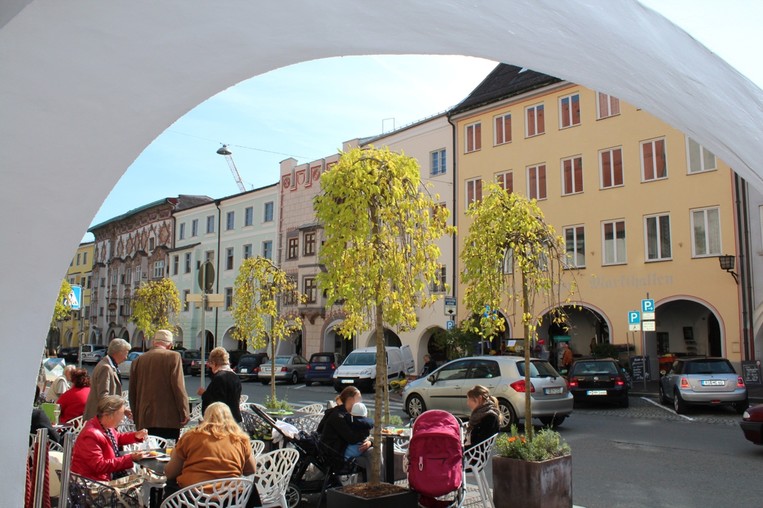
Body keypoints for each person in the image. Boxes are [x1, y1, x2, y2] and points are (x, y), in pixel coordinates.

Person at [164, 402, 259, 505]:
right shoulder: (241, 439)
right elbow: (250, 470)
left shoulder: (191, 436)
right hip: (230, 499)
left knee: (170, 486)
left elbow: (170, 473)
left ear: (206, 417)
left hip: (192, 499)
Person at [70, 395, 149, 482]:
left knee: (143, 480)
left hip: (103, 478)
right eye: (121, 414)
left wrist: (135, 436)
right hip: (92, 483)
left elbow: (116, 438)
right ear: (109, 415)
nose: (122, 419)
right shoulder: (91, 434)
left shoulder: (105, 426)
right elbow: (99, 466)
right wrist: (130, 458)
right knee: (142, 481)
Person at [129, 329, 189, 440]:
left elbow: (132, 392)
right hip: (167, 418)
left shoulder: (138, 360)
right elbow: (178, 387)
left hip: (144, 418)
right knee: (166, 452)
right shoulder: (173, 357)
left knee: (148, 453)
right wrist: (184, 411)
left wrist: (136, 415)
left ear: (153, 342)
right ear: (170, 345)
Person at [320, 386, 372, 474]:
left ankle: (376, 483)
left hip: (346, 449)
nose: (361, 402)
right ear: (351, 400)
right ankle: (375, 484)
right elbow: (352, 438)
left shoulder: (350, 415)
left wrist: (369, 442)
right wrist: (368, 440)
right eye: (359, 399)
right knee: (373, 456)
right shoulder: (339, 416)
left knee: (373, 452)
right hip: (336, 455)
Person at [83, 339, 131, 420]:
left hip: (103, 418)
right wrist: (121, 409)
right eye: (126, 354)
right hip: (100, 418)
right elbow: (103, 396)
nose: (126, 358)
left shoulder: (108, 365)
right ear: (119, 352)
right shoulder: (105, 367)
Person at [198, 347, 242, 422]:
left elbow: (217, 402)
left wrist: (204, 393)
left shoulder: (219, 378)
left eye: (211, 365)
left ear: (214, 363)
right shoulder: (234, 376)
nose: (211, 369)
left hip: (221, 421)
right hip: (234, 418)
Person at [464, 385, 502, 450]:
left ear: (479, 398)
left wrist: (461, 448)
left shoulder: (490, 417)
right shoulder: (481, 414)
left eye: (469, 399)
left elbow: (480, 443)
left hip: (475, 454)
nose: (468, 403)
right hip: (472, 451)